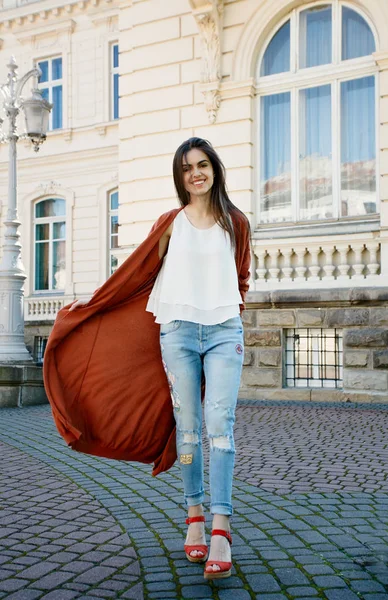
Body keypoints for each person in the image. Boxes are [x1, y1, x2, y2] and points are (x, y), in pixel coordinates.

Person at [69, 137, 251, 580]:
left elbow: (241, 277)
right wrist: (92, 311)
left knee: (220, 429)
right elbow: (137, 276)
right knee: (187, 432)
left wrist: (224, 309)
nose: (196, 173)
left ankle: (222, 528)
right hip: (177, 334)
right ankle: (194, 518)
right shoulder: (170, 223)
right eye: (187, 167)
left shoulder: (236, 223)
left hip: (225, 332)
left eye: (203, 164)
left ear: (215, 169)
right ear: (180, 176)